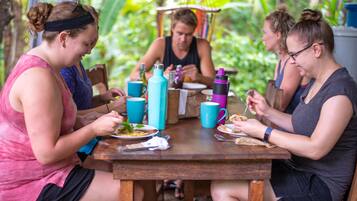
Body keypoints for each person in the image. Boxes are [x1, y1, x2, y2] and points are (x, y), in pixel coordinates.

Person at [0, 2, 142, 201]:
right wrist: (93, 129)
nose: (89, 51)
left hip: (53, 168)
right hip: (31, 181)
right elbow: (47, 154)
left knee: (135, 173)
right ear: (64, 38)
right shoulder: (38, 78)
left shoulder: (50, 68)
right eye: (86, 43)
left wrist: (90, 118)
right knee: (134, 191)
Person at [211, 9, 357, 201]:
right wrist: (267, 111)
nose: (293, 62)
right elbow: (299, 124)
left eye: (294, 55)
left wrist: (264, 131)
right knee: (226, 174)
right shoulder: (317, 82)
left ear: (316, 49)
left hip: (319, 184)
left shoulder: (340, 92)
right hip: (296, 168)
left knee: (223, 188)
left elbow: (316, 148)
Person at [129, 8, 216, 88]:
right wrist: (161, 76)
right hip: (167, 96)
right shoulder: (160, 44)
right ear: (172, 29)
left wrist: (199, 77)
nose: (183, 39)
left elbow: (214, 82)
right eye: (180, 33)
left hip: (194, 97)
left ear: (194, 31)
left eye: (188, 34)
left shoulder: (202, 45)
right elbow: (135, 74)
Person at [262, 6, 309, 113]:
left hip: (289, 125)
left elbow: (280, 105)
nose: (263, 37)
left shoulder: (292, 63)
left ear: (278, 34)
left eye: (265, 32)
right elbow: (272, 97)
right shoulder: (281, 60)